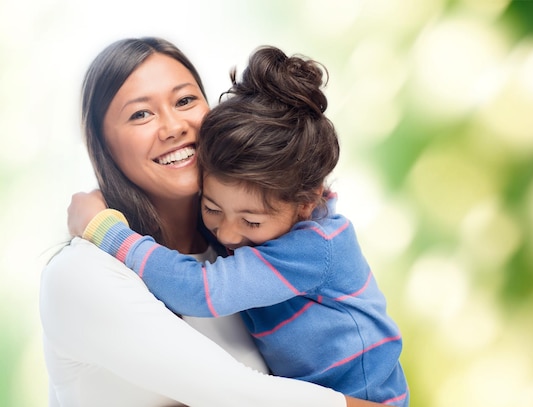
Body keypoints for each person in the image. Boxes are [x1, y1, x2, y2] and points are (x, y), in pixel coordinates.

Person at [39, 36, 390, 407]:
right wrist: (103, 231)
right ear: (101, 144)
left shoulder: (240, 251)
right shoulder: (81, 274)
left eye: (185, 100)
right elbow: (238, 396)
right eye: (141, 113)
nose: (173, 126)